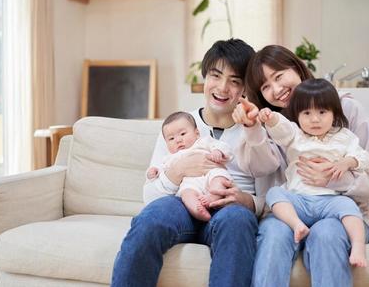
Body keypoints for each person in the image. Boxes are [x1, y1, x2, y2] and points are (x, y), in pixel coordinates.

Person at [111, 39, 280, 287]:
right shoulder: (179, 124)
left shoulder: (255, 129)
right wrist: (177, 171)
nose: (223, 88)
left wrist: (244, 200)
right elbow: (149, 196)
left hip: (229, 209)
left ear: (245, 88)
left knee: (237, 221)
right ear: (205, 77)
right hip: (181, 203)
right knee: (151, 219)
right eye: (216, 75)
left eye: (235, 81)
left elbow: (269, 199)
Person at [232, 45, 369, 286]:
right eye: (265, 87)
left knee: (326, 234)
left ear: (297, 68)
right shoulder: (275, 124)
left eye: (279, 77)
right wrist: (252, 129)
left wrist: (335, 177)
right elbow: (260, 168)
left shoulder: (347, 109)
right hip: (289, 212)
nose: (276, 90)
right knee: (274, 235)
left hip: (338, 213)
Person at [258, 78, 369, 267]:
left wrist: (346, 162)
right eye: (307, 113)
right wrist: (272, 119)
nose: (315, 119)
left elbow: (363, 157)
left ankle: (358, 247)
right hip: (298, 201)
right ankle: (296, 225)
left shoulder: (344, 136)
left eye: (322, 112)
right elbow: (281, 129)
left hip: (330, 201)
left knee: (350, 208)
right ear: (297, 115)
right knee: (274, 193)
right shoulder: (295, 135)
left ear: (334, 113)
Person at [146, 111, 235, 221]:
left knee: (219, 178)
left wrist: (218, 151)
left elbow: (222, 147)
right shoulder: (170, 157)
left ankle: (213, 197)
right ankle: (198, 210)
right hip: (190, 183)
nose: (178, 140)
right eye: (171, 139)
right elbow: (162, 170)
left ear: (197, 133)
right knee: (186, 194)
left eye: (183, 134)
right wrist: (154, 172)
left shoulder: (203, 142)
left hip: (211, 173)